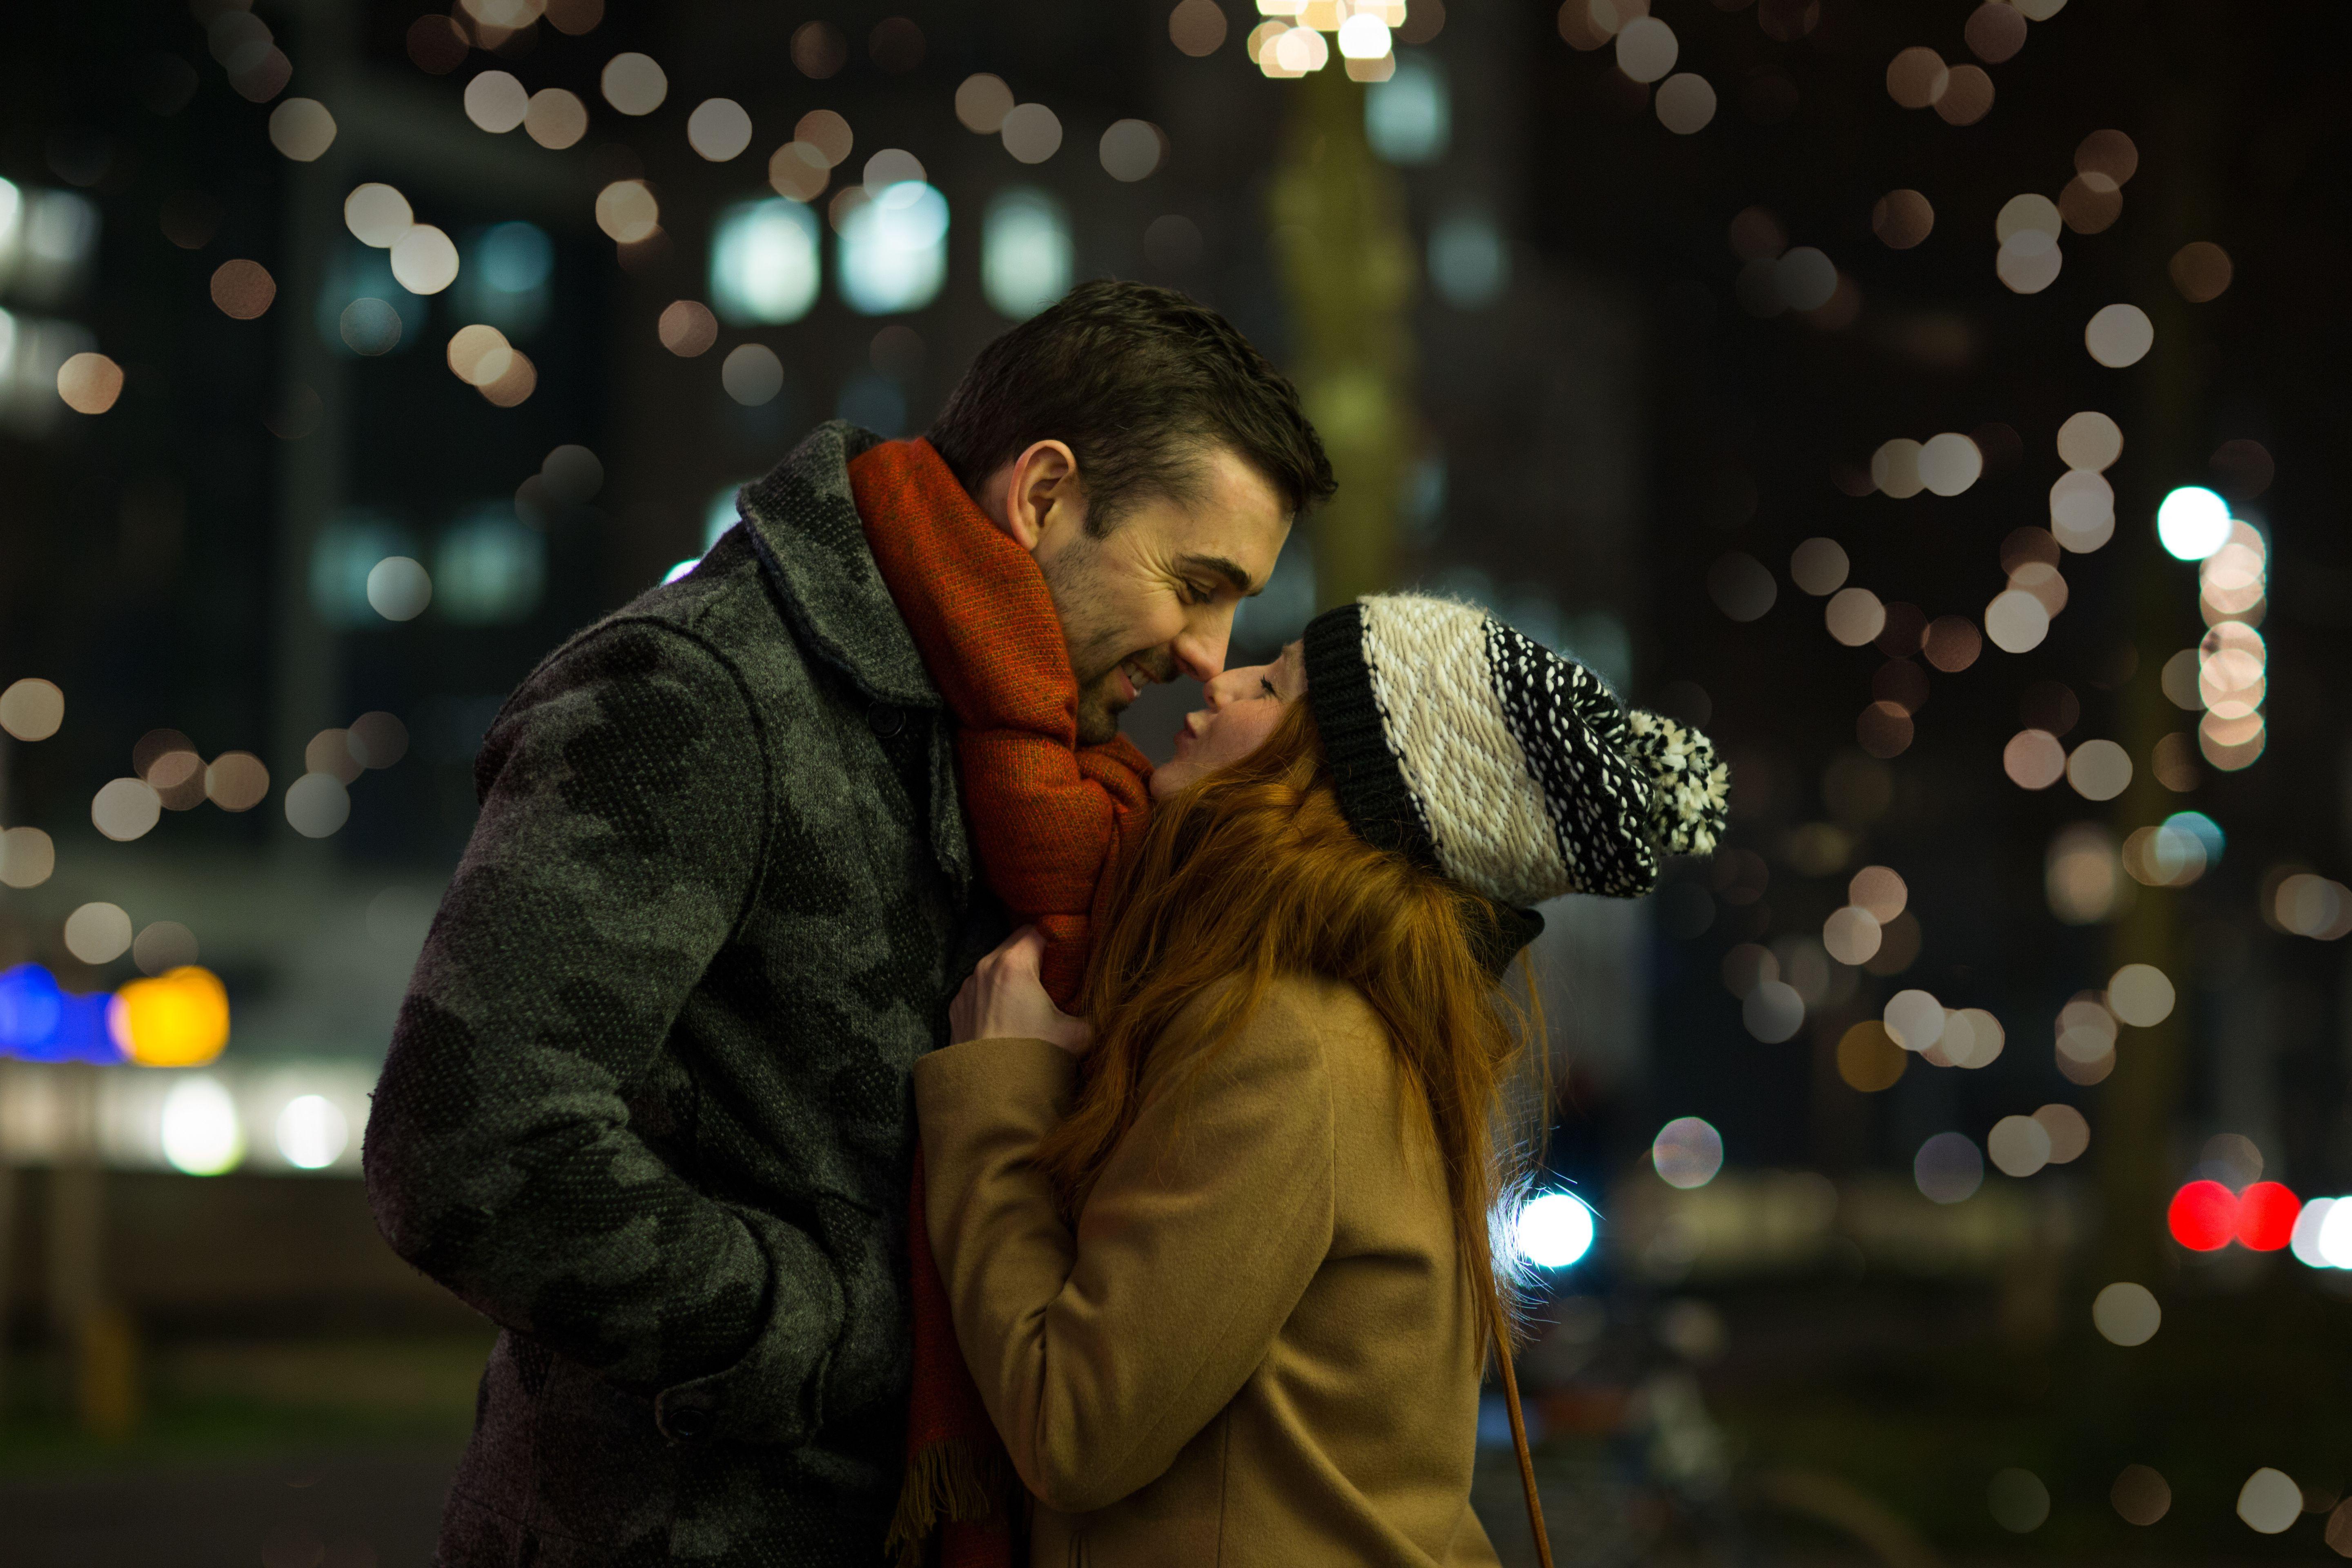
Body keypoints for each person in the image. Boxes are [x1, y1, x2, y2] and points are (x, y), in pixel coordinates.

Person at [361, 281, 1332, 1564]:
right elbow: (469, 1152)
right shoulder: (699, 692)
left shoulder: (1032, 765)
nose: (1213, 652)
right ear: (1042, 495)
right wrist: (858, 1338)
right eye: (1193, 583)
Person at [916, 594, 1728, 1566]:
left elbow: (1075, 1430)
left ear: (1336, 788)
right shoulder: (1375, 1037)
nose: (1222, 677)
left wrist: (1000, 1099)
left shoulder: (1290, 1042)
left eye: (1275, 684)